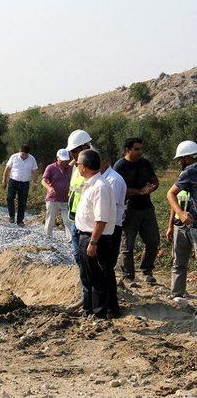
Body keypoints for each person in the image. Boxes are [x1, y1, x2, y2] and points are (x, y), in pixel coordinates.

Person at [74, 149, 116, 318]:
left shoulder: (100, 186)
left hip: (97, 237)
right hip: (86, 235)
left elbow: (101, 219)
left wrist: (93, 242)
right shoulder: (90, 183)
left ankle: (100, 313)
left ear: (84, 167)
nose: (76, 166)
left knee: (98, 277)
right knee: (88, 275)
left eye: (78, 164)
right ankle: (89, 309)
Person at [113, 137, 160, 285]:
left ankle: (146, 271)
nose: (140, 151)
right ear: (128, 150)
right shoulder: (120, 166)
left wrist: (151, 187)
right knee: (128, 246)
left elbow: (155, 181)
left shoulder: (145, 163)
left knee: (153, 241)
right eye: (136, 149)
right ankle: (128, 276)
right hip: (129, 208)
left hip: (147, 208)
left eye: (141, 148)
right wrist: (139, 191)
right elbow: (120, 189)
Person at [65, 129, 93, 311]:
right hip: (75, 218)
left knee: (87, 262)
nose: (72, 156)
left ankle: (89, 300)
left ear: (85, 147)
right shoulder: (78, 165)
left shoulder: (94, 165)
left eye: (74, 151)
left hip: (86, 223)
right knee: (79, 259)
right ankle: (86, 297)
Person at [166, 141, 197, 300]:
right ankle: (177, 293)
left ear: (187, 157)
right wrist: (172, 223)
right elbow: (172, 196)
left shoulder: (189, 172)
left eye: (180, 159)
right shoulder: (187, 173)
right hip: (183, 223)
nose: (179, 162)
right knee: (179, 261)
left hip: (193, 225)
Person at [100, 150, 127, 317]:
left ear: (104, 162)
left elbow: (108, 208)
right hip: (106, 227)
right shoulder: (104, 178)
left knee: (107, 268)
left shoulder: (113, 180)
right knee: (103, 267)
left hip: (111, 228)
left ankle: (112, 307)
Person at [3, 145, 38, 226]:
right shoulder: (14, 157)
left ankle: (20, 220)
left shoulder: (32, 159)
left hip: (25, 183)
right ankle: (11, 216)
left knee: (22, 202)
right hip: (13, 181)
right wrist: (4, 181)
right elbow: (7, 169)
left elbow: (35, 171)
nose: (24, 156)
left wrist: (35, 183)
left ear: (28, 154)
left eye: (26, 155)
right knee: (9, 198)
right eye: (22, 154)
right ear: (20, 151)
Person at [42, 148, 73, 240]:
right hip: (52, 199)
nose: (64, 162)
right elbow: (43, 180)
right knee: (50, 219)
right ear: (57, 158)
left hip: (65, 199)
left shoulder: (70, 169)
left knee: (67, 221)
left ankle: (70, 239)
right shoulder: (51, 167)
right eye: (62, 160)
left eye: (65, 160)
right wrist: (49, 188)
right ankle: (48, 238)